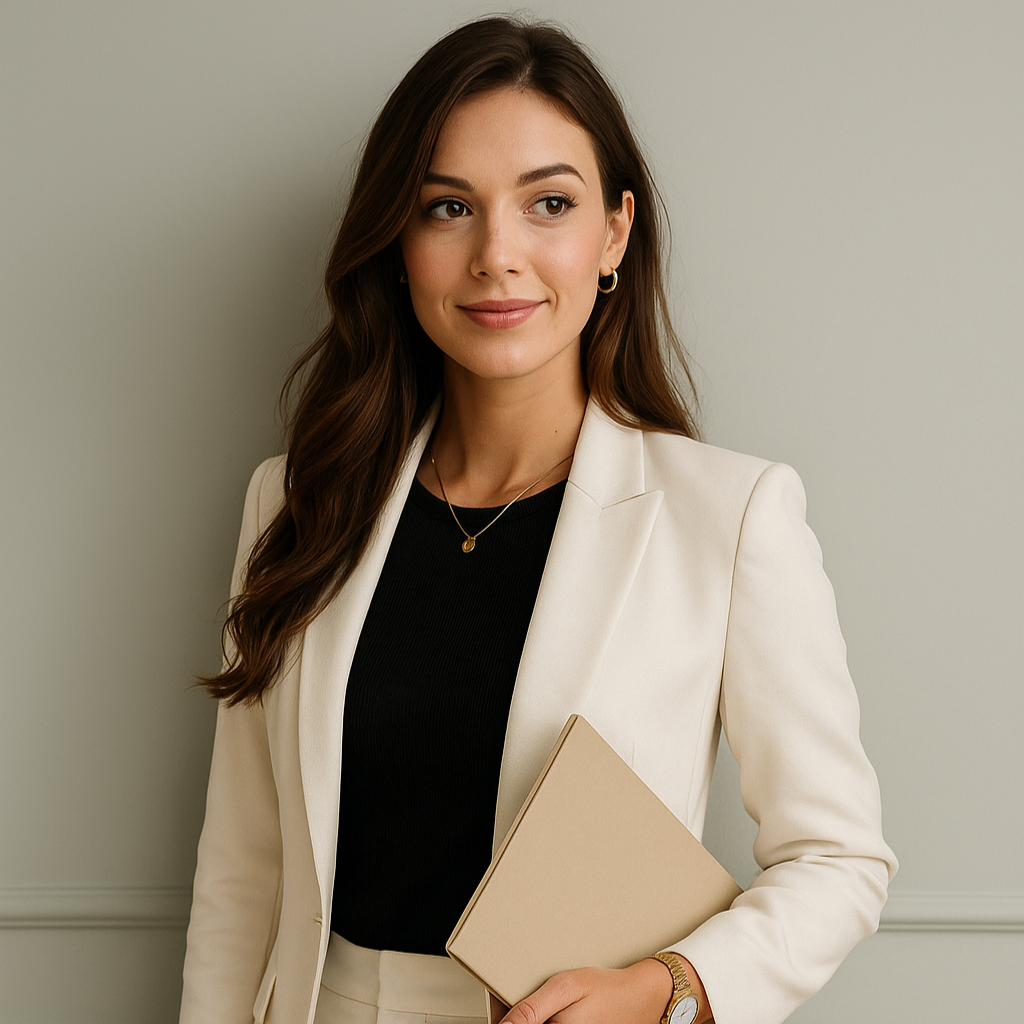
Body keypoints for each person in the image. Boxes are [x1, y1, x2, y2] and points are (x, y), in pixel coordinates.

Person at [179, 16, 897, 1024]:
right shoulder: (298, 500)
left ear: (612, 234)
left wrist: (667, 989)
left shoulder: (728, 517)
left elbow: (838, 856)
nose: (496, 255)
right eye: (447, 208)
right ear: (396, 241)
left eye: (547, 204)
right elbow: (241, 868)